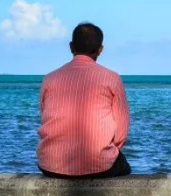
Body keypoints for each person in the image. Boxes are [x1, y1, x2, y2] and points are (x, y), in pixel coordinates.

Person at [37, 22, 131, 178]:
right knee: (124, 168)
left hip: (51, 165)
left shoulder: (50, 78)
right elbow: (121, 132)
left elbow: (44, 116)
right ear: (100, 50)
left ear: (71, 47)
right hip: (100, 165)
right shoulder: (111, 78)